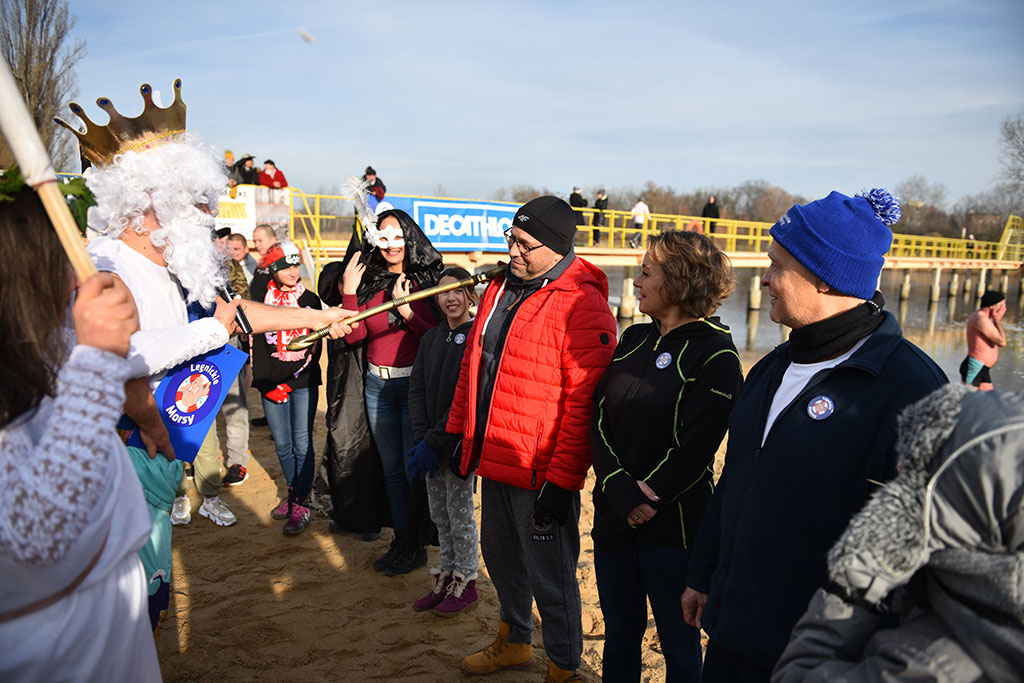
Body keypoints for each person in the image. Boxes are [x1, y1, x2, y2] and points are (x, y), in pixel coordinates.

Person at [58, 79, 356, 629]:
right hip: (121, 455)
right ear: (150, 202)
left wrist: (317, 316)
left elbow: (234, 312)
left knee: (151, 600)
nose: (204, 215)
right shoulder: (104, 265)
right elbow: (114, 354)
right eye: (193, 203)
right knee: (122, 611)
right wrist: (204, 343)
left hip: (162, 451)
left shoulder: (174, 265)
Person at [681, 189, 948, 682]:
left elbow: (931, 555)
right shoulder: (771, 367)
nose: (762, 279)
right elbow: (736, 479)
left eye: (776, 265)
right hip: (732, 629)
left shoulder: (910, 388)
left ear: (825, 277)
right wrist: (703, 576)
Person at [445, 196, 617, 682]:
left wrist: (563, 483)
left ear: (558, 247)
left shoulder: (583, 305)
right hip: (493, 451)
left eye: (524, 243)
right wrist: (459, 431)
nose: (512, 251)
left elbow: (584, 406)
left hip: (538, 466)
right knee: (500, 558)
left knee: (553, 576)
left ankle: (563, 665)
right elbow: (472, 366)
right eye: (510, 239)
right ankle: (516, 640)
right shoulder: (500, 288)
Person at [0, 184, 160, 681]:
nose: (78, 278)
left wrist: (218, 328)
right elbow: (35, 532)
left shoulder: (42, 341)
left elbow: (144, 350)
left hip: (105, 613)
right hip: (55, 644)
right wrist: (96, 360)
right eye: (62, 261)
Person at [774, 384, 1024, 683]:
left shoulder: (933, 664)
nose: (898, 476)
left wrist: (853, 585)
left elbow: (797, 675)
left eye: (915, 476)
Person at [591, 231, 743, 682]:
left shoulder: (716, 354)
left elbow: (698, 447)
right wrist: (618, 489)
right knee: (620, 633)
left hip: (673, 527)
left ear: (677, 281)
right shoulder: (634, 338)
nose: (636, 281)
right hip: (614, 514)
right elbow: (598, 416)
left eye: (646, 272)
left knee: (679, 645)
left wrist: (648, 495)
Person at [340, 209, 443, 574]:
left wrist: (408, 312)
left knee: (412, 468)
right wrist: (350, 293)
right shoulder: (370, 282)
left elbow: (435, 337)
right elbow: (355, 336)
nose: (391, 245)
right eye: (383, 237)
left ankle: (417, 542)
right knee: (391, 469)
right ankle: (401, 537)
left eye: (398, 236)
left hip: (412, 387)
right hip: (376, 385)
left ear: (411, 239)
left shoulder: (429, 282)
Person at [406, 267, 480, 616]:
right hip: (429, 448)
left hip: (456, 446)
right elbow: (417, 388)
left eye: (458, 291)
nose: (451, 298)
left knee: (460, 515)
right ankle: (448, 575)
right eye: (443, 293)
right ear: (435, 300)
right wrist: (421, 437)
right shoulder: (431, 339)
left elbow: (464, 400)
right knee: (440, 516)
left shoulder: (477, 337)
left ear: (469, 297)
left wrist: (435, 439)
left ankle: (467, 580)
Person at [251, 242, 323, 534]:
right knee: (282, 444)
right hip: (271, 383)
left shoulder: (311, 300)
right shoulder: (259, 295)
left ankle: (301, 503)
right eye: (285, 266)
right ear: (273, 269)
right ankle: (294, 495)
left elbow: (314, 351)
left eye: (296, 265)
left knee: (302, 443)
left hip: (303, 381)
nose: (293, 271)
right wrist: (269, 385)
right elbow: (256, 346)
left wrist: (288, 382)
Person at [218, 232, 253, 487]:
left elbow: (243, 301)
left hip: (226, 341)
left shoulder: (227, 265)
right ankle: (194, 461)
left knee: (234, 405)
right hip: (190, 344)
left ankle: (237, 461)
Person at [960, 289, 1006, 390]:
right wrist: (997, 320)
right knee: (967, 398)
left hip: (982, 368)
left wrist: (995, 320)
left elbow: (994, 336)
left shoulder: (984, 319)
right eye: (1002, 305)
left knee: (988, 400)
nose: (1004, 308)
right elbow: (1002, 342)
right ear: (992, 306)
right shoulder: (981, 319)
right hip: (975, 366)